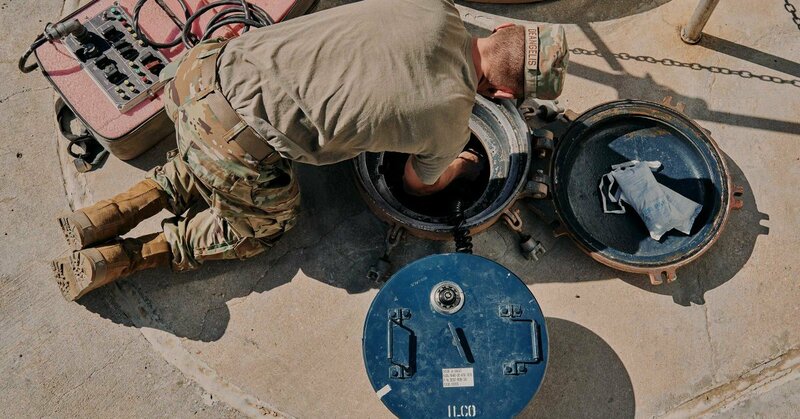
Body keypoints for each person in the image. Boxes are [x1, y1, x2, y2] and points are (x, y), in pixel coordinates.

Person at [51, 0, 569, 301]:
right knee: (263, 224)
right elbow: (416, 186)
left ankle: (107, 214)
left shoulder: (435, 7)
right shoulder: (451, 124)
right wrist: (457, 165)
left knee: (220, 147)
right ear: (505, 94)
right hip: (229, 143)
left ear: (501, 28)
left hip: (199, 75)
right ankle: (124, 258)